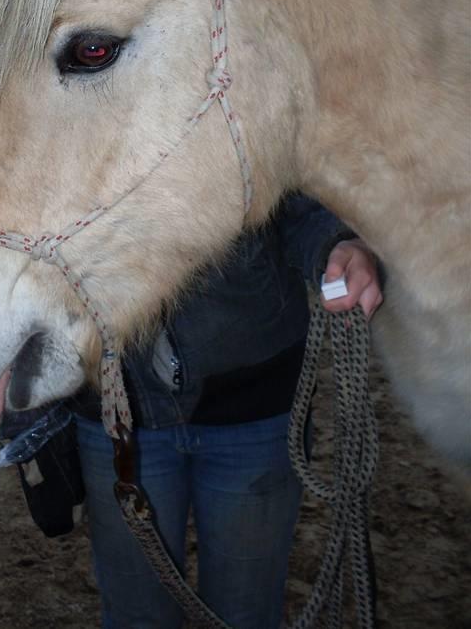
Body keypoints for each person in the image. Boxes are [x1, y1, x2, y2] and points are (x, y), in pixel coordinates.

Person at [67, 194, 383, 629]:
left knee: (245, 615)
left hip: (254, 405)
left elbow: (298, 196)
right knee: (136, 617)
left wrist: (336, 244)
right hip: (117, 408)